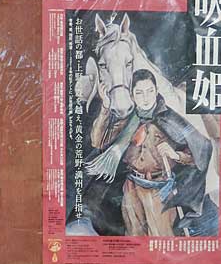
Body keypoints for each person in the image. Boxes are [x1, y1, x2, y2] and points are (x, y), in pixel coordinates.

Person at [85, 69, 214, 237]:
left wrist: (175, 155)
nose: (145, 98)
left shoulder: (170, 119)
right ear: (132, 96)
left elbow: (202, 148)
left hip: (160, 190)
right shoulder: (128, 121)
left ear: (156, 91)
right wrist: (105, 108)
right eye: (139, 93)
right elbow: (98, 141)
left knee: (162, 238)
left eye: (149, 91)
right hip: (131, 188)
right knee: (134, 236)